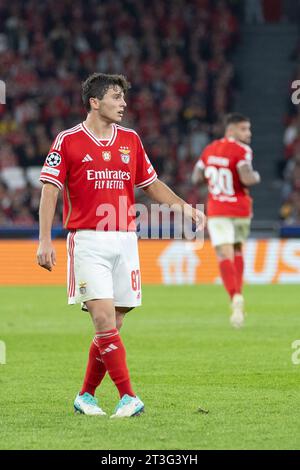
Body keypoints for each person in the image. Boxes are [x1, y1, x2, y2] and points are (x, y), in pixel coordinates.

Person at [37, 73, 204, 418]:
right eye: (116, 97)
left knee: (114, 321)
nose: (123, 104)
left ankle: (85, 395)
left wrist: (185, 208)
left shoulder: (130, 139)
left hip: (126, 240)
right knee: (102, 319)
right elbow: (50, 190)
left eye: (123, 98)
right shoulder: (67, 141)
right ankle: (129, 397)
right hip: (88, 241)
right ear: (94, 102)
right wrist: (44, 240)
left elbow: (151, 184)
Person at [192, 113, 260, 328]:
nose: (248, 133)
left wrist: (212, 178)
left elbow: (195, 178)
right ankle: (238, 293)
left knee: (224, 254)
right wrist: (256, 177)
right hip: (240, 209)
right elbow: (247, 178)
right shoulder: (242, 151)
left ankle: (235, 297)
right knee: (238, 250)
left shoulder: (209, 149)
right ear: (231, 130)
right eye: (244, 129)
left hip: (218, 209)